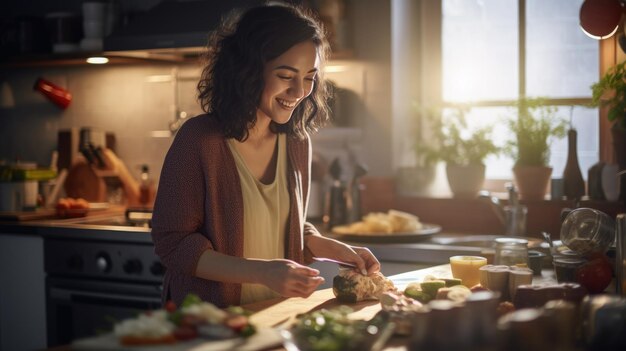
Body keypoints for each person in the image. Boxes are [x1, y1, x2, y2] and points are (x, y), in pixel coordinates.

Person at [151, 2, 380, 308]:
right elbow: (173, 243)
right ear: (248, 69)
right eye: (286, 75)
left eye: (310, 77)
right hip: (210, 323)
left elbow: (286, 227)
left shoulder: (297, 143)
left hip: (271, 317)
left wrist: (332, 248)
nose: (300, 91)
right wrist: (261, 271)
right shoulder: (199, 140)